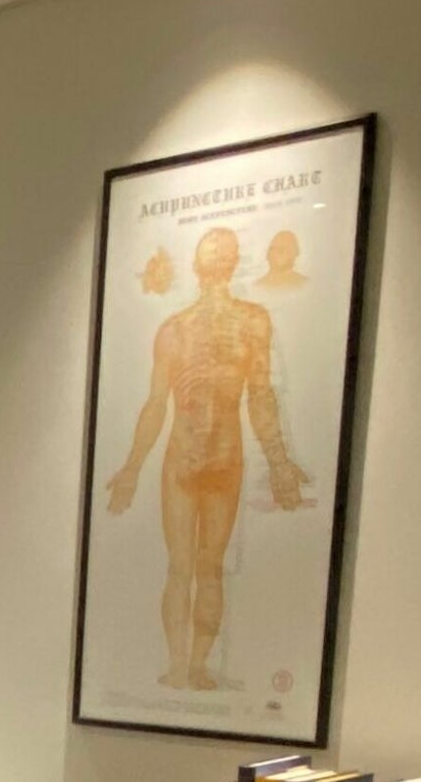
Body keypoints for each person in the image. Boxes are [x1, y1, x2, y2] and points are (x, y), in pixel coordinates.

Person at [103, 224, 309, 691]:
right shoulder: (228, 323)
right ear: (231, 265)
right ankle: (188, 666)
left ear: (199, 270)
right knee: (199, 566)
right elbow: (249, 397)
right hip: (209, 456)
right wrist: (133, 468)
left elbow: (254, 396)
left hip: (204, 456)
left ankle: (186, 666)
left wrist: (278, 462)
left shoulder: (187, 328)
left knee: (190, 566)